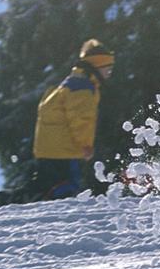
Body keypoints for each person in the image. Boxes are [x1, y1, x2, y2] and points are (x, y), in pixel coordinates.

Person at [31, 39, 115, 200]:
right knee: (67, 185)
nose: (109, 74)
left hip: (47, 148)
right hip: (64, 150)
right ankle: (56, 211)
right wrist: (85, 144)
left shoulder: (70, 83)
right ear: (97, 67)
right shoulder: (82, 87)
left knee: (44, 184)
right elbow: (81, 118)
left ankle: (18, 197)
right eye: (108, 70)